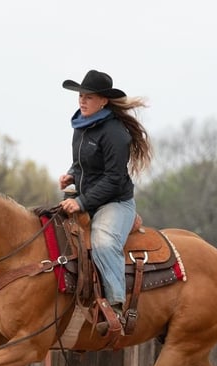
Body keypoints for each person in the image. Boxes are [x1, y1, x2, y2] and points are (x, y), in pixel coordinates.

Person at [58, 69, 153, 332]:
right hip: (89, 198)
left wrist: (81, 202)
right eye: (81, 96)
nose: (82, 101)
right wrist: (71, 174)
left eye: (89, 97)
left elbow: (113, 179)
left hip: (115, 202)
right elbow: (84, 164)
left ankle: (116, 305)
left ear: (104, 101)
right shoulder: (81, 125)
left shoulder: (114, 133)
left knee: (101, 241)